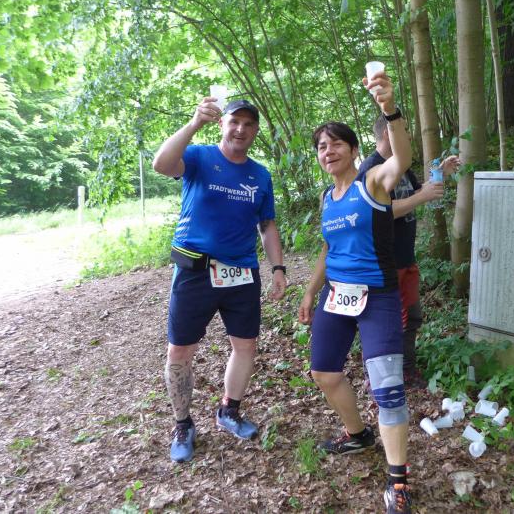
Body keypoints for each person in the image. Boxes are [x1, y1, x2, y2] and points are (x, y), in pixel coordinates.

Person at [297, 70, 413, 513]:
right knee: (324, 372)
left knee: (388, 389)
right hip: (337, 295)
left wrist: (390, 110)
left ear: (352, 150)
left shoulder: (372, 183)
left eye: (335, 144)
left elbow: (401, 158)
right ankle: (358, 434)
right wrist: (310, 292)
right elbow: (329, 249)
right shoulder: (327, 199)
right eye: (321, 147)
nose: (327, 151)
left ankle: (397, 481)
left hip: (377, 296)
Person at [152, 96, 287, 463]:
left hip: (241, 273)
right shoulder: (199, 156)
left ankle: (229, 410)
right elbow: (161, 164)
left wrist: (278, 268)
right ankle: (183, 424)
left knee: (245, 346)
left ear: (255, 131)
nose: (241, 129)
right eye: (234, 121)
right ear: (222, 124)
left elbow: (267, 225)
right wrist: (194, 123)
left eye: (249, 124)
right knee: (180, 351)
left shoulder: (260, 175)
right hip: (195, 270)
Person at [358, 117, 459, 388]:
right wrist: (421, 197)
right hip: (383, 262)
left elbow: (414, 193)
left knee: (411, 317)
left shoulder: (401, 167)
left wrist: (440, 172)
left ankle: (407, 370)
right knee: (386, 321)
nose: (410, 137)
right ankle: (378, 376)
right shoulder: (371, 168)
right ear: (388, 134)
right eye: (404, 132)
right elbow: (378, 212)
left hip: (405, 257)